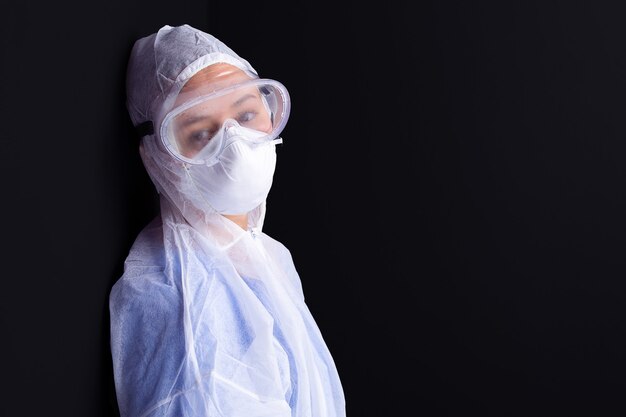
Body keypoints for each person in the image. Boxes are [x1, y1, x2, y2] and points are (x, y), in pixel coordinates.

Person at [109, 24, 346, 417]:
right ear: (156, 156)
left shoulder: (264, 255)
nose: (235, 146)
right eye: (201, 133)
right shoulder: (178, 297)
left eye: (247, 114)